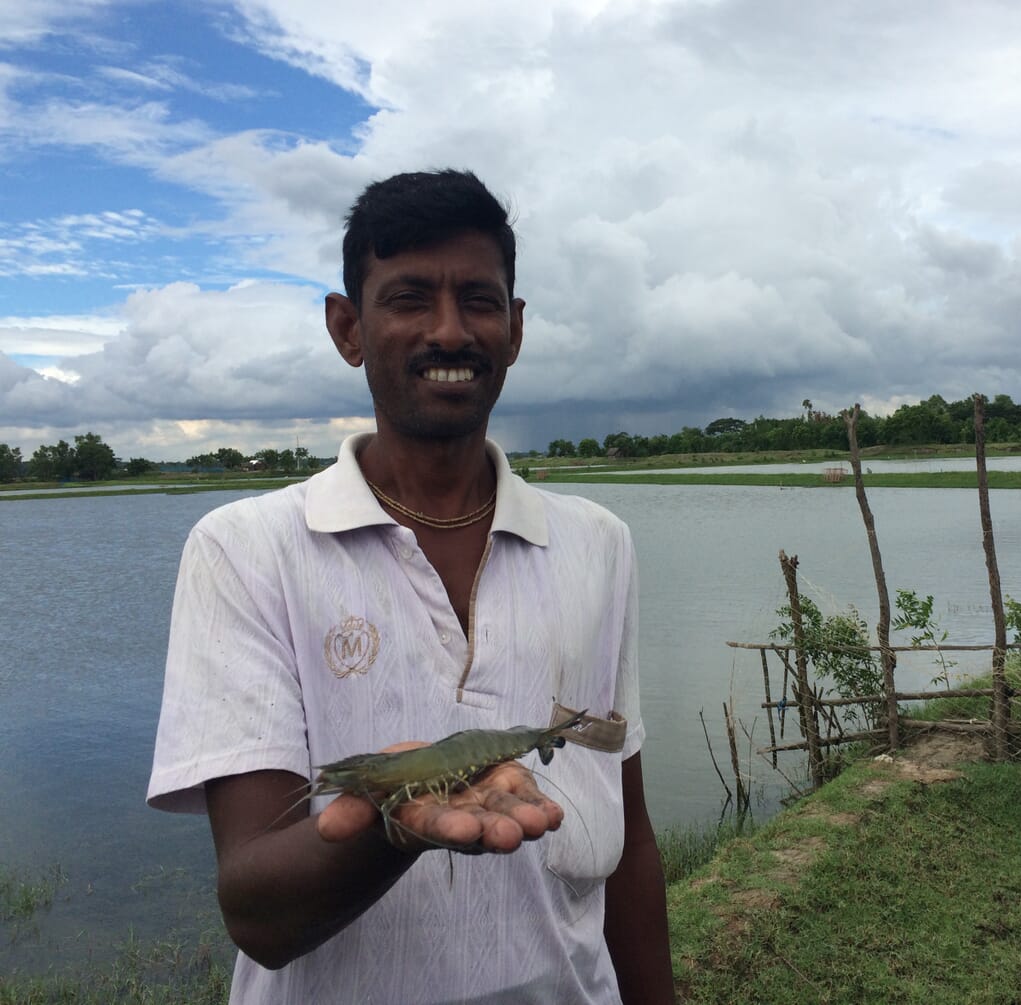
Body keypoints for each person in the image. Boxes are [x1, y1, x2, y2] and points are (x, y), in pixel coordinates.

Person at [147, 169, 674, 1004]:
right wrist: (391, 826)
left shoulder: (601, 544)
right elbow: (256, 910)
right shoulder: (241, 550)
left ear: (515, 329)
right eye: (407, 299)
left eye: (478, 298)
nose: (448, 330)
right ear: (347, 327)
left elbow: (631, 838)